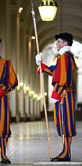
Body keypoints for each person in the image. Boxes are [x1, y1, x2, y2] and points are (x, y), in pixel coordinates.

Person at [35, 32, 76, 162]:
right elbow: (54, 71)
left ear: (65, 43)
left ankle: (66, 153)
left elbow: (64, 79)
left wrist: (56, 93)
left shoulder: (65, 57)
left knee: (66, 122)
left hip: (64, 94)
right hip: (63, 94)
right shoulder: (63, 58)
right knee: (63, 123)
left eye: (59, 41)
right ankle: (65, 151)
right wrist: (40, 64)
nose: (56, 44)